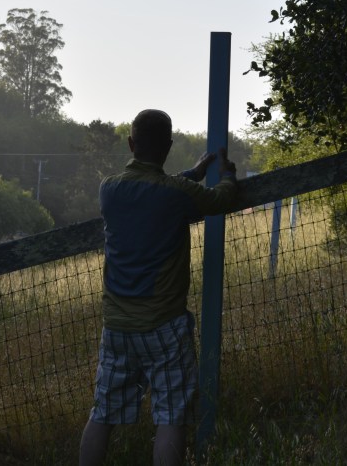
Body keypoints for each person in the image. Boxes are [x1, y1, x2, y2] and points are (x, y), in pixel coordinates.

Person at [79, 109, 238, 466]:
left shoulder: (109, 189)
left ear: (131, 143)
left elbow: (152, 194)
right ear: (167, 147)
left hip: (117, 327)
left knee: (102, 412)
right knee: (170, 417)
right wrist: (226, 175)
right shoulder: (176, 194)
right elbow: (220, 200)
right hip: (164, 326)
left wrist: (192, 175)